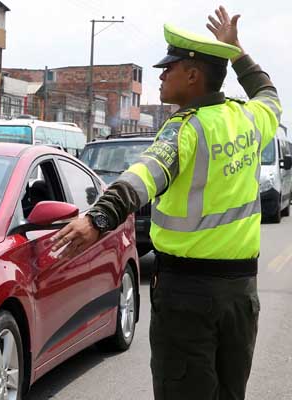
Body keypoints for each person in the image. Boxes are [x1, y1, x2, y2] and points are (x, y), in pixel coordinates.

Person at [50, 7, 280, 400]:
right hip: (241, 294)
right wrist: (238, 52)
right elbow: (269, 96)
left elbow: (145, 174)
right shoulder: (249, 119)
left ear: (193, 76)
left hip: (189, 295)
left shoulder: (186, 128)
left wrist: (98, 218)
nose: (160, 75)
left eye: (168, 68)